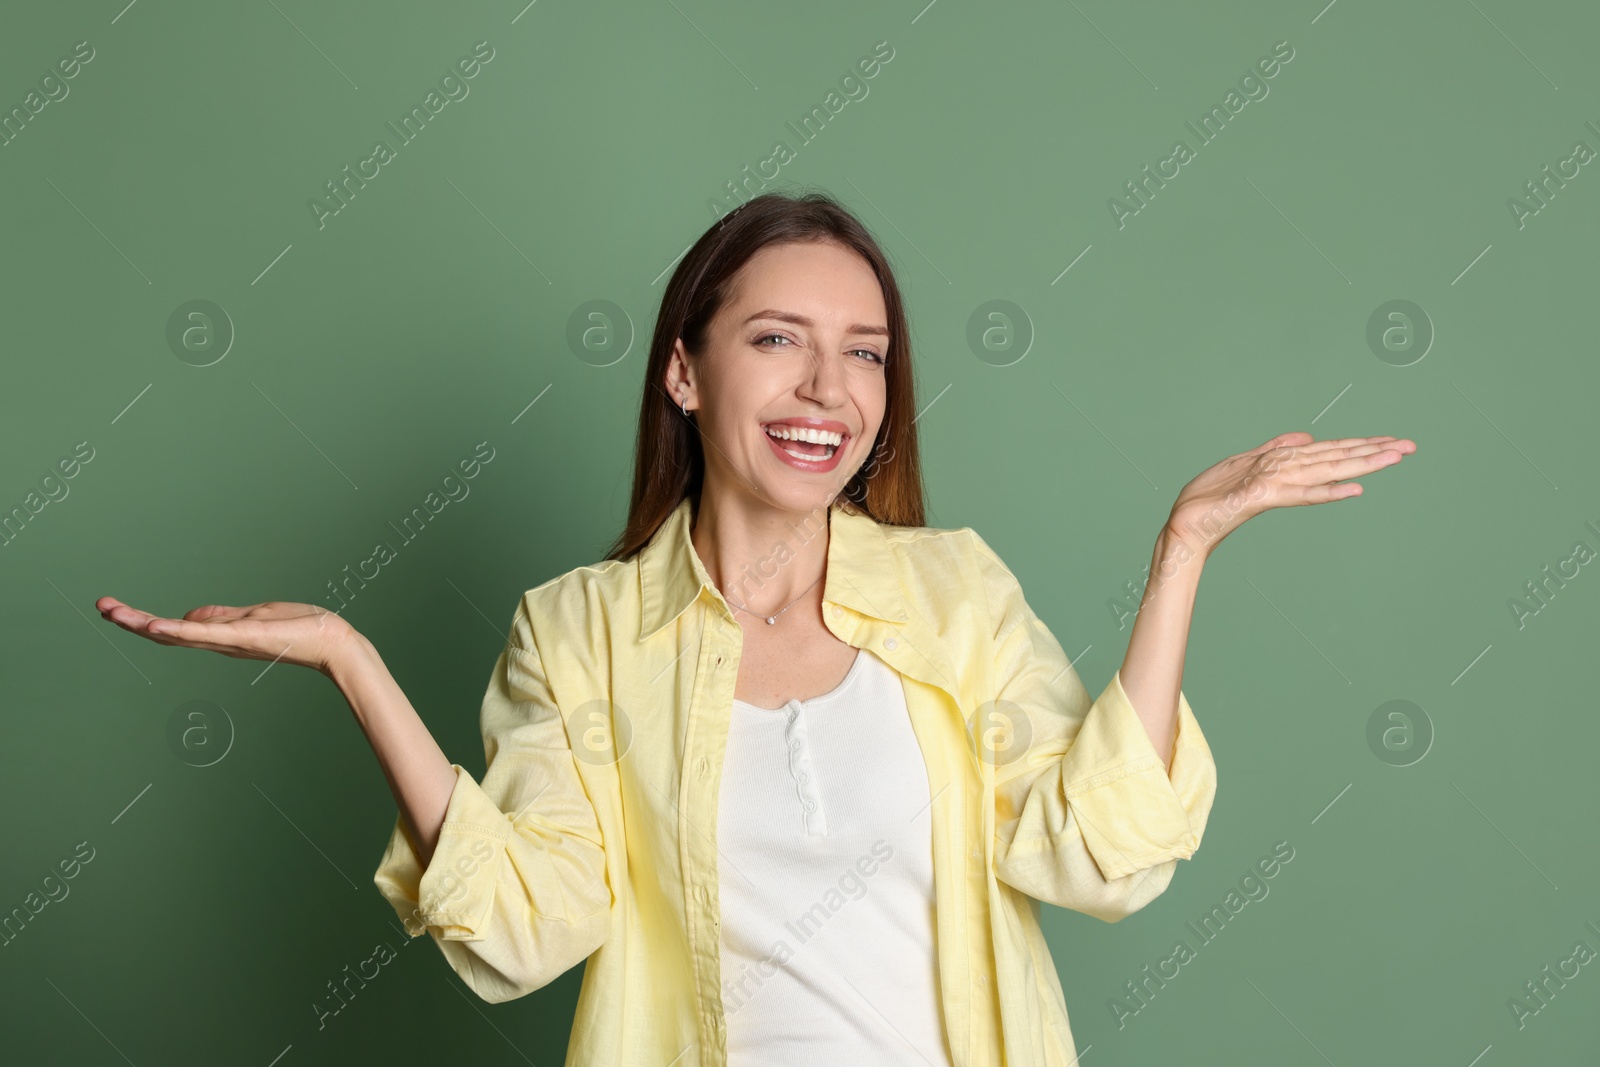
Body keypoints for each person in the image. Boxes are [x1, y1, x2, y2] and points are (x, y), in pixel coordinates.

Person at [97, 191, 1415, 1066]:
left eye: (866, 352)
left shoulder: (956, 591)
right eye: (778, 338)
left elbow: (1099, 858)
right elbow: (526, 928)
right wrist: (356, 664)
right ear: (684, 367)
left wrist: (1179, 553)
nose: (826, 389)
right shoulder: (579, 632)